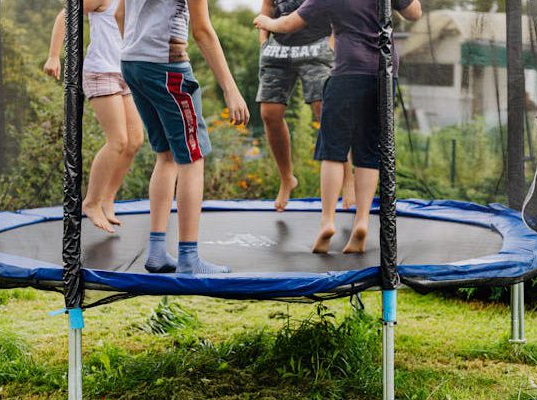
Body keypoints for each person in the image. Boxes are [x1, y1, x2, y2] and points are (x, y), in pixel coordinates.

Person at [254, 0, 422, 254]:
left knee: (332, 150)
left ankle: (328, 221)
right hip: (384, 73)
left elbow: (290, 23)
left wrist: (267, 23)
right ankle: (362, 221)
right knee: (369, 151)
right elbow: (414, 13)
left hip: (347, 71)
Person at [116, 0, 250, 274]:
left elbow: (120, 14)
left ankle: (156, 252)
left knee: (166, 155)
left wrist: (140, 49)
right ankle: (189, 258)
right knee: (192, 156)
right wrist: (230, 88)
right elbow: (202, 31)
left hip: (132, 63)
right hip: (167, 67)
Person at [44, 0, 144, 234]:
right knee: (118, 140)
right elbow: (65, 14)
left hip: (125, 72)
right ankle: (90, 202)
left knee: (135, 140)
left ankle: (107, 199)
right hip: (101, 72)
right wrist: (53, 56)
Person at [257, 0, 356, 212]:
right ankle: (287, 179)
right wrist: (263, 41)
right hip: (279, 48)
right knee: (269, 113)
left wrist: (331, 43)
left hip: (316, 44)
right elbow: (267, 7)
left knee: (325, 109)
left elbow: (340, 8)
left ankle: (348, 177)